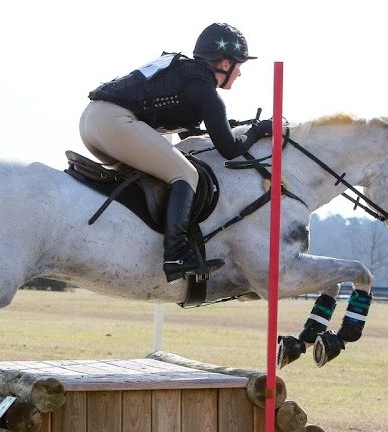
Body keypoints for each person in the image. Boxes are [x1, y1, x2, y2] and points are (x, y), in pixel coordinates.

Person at [81, 22, 273, 283]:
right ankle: (176, 255)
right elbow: (229, 149)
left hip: (93, 121)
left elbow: (195, 133)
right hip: (113, 121)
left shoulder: (187, 76)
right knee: (185, 173)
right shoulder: (204, 90)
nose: (240, 73)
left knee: (160, 175)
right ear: (225, 64)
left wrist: (236, 127)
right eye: (239, 64)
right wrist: (258, 131)